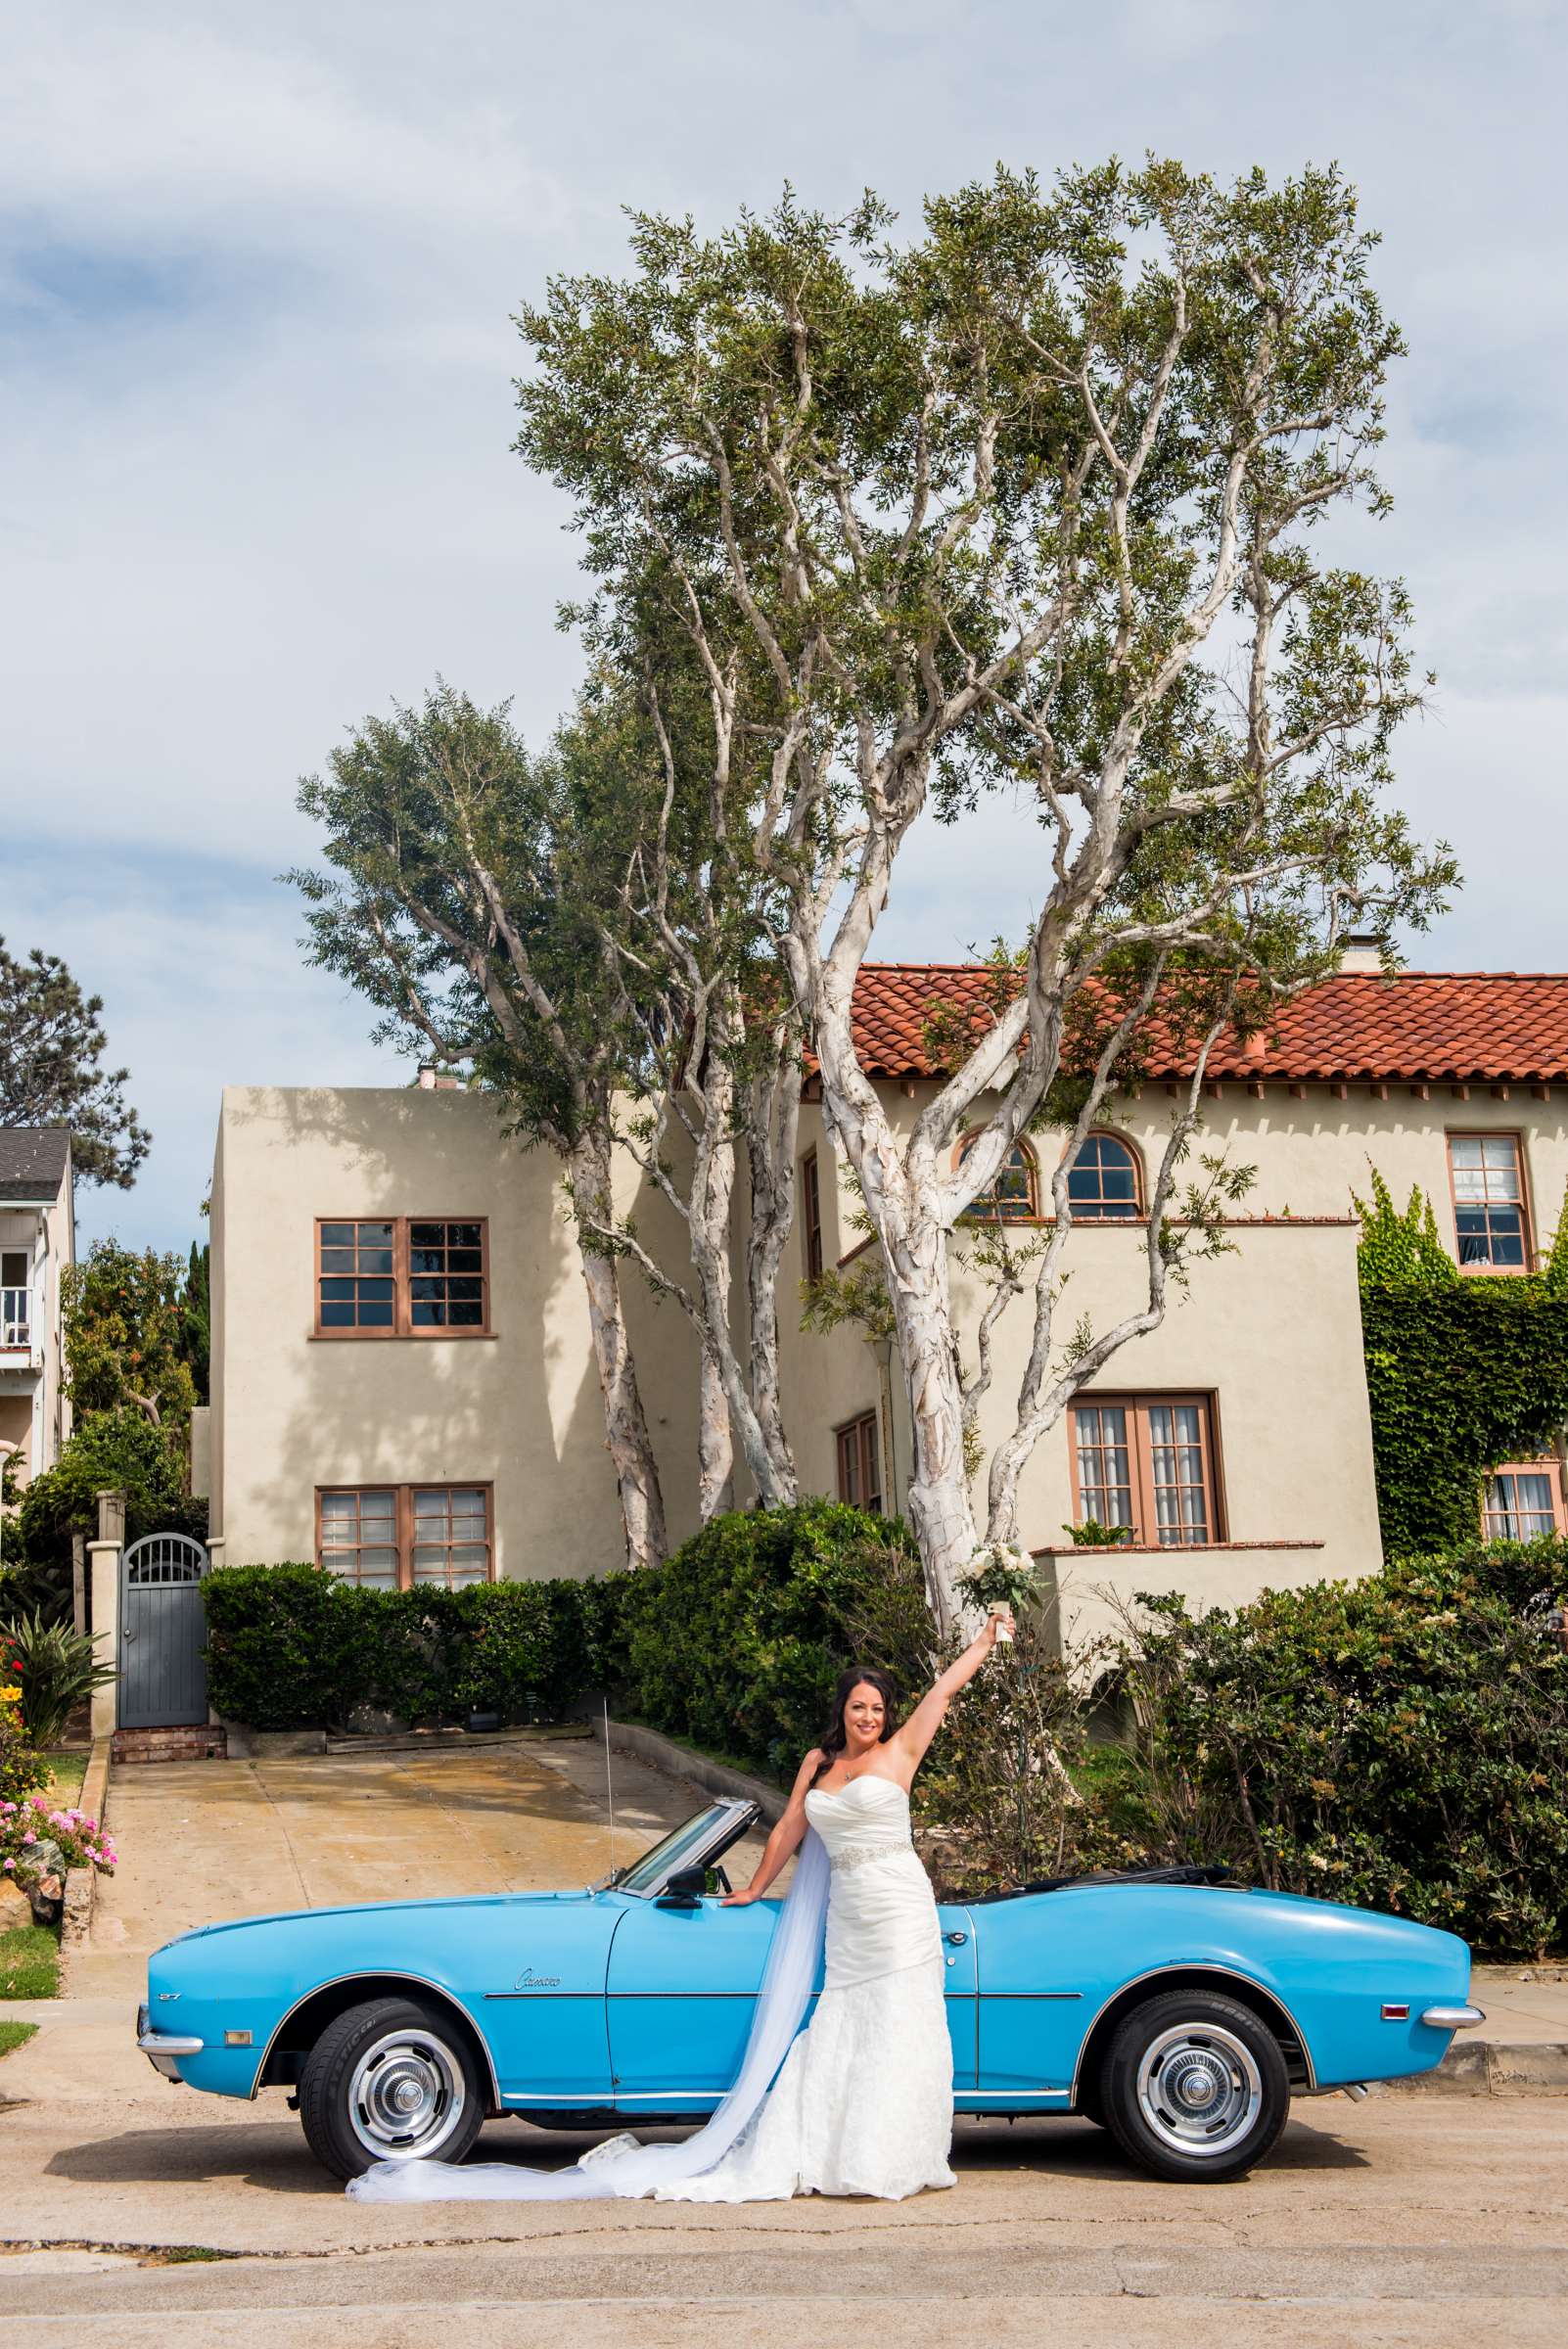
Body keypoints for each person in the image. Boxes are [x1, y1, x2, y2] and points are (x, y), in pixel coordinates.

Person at [347, 1609, 1012, 2206]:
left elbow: (943, 1690)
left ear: (887, 1715)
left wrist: (984, 1639)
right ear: (841, 1709)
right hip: (850, 1920)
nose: (868, 1717)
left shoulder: (902, 1755)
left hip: (898, 1909)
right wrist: (753, 1887)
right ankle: (841, 2150)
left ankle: (895, 2154)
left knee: (900, 2022)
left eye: (876, 1709)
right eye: (858, 1706)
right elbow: (787, 1831)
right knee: (845, 2024)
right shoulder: (819, 1763)